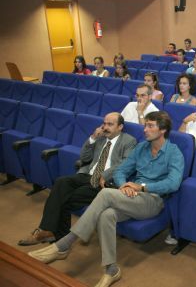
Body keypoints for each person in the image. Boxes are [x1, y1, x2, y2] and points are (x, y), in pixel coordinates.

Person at [28, 111, 184, 287]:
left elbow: (173, 183)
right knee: (106, 215)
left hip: (153, 200)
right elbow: (120, 171)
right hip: (131, 196)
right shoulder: (141, 148)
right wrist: (124, 185)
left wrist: (142, 187)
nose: (145, 129)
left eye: (150, 126)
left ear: (162, 130)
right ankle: (111, 269)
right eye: (145, 125)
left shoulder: (174, 152)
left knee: (105, 193)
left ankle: (65, 244)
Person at [18, 113, 136, 246]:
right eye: (104, 123)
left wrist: (105, 174)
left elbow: (126, 163)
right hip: (86, 175)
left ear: (120, 127)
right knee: (61, 182)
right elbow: (84, 158)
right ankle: (47, 230)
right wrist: (92, 138)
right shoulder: (101, 138)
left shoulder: (129, 141)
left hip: (104, 182)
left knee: (66, 198)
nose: (105, 127)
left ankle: (52, 233)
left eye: (110, 124)